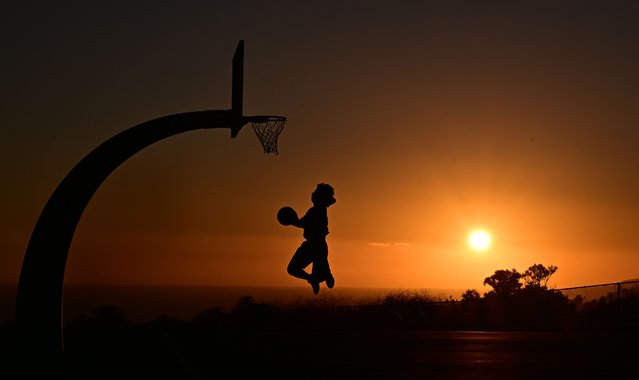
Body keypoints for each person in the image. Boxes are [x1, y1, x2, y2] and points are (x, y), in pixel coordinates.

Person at [286, 183, 336, 295]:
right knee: (318, 272)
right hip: (316, 245)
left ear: (320, 197)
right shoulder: (319, 209)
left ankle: (320, 276)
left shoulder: (316, 211)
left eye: (315, 193)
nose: (312, 195)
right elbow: (333, 201)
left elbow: (301, 223)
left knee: (293, 269)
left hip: (315, 245)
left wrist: (292, 220)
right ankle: (318, 277)